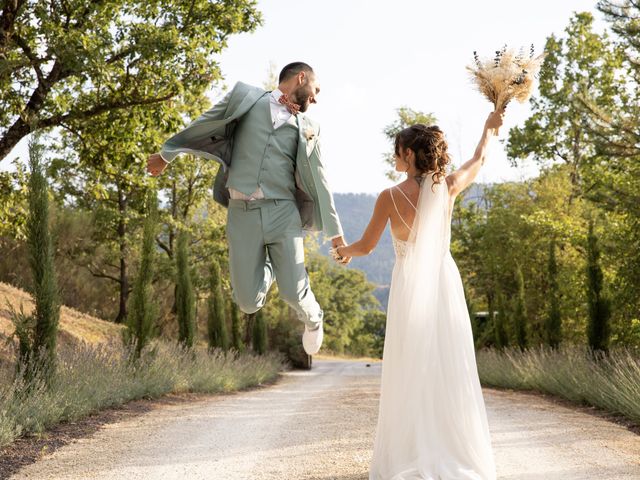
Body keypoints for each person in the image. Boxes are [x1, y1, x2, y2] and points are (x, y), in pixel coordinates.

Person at [331, 109, 505, 479]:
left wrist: (342, 251)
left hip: (411, 287)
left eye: (397, 151)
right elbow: (480, 158)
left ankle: (411, 451)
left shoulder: (389, 197)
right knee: (448, 363)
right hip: (444, 283)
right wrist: (490, 127)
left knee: (410, 367)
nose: (394, 157)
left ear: (409, 154)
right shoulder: (449, 187)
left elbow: (364, 246)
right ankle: (451, 449)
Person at [147, 62, 350, 355]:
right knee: (248, 302)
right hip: (241, 213)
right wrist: (168, 154)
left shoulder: (309, 128)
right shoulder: (245, 97)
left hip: (283, 212)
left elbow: (320, 180)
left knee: (293, 290)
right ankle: (268, 267)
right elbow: (204, 121)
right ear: (301, 78)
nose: (316, 98)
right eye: (315, 90)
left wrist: (336, 235)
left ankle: (314, 318)